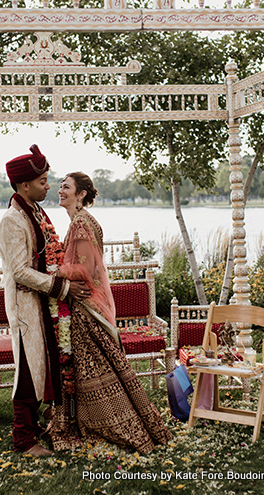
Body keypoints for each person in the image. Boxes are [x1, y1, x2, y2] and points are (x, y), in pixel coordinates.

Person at [50, 172, 172, 455]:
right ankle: (115, 420)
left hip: (84, 306)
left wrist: (53, 274)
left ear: (81, 195)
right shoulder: (83, 222)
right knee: (107, 369)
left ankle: (110, 423)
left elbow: (85, 269)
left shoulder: (80, 223)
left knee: (94, 372)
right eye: (60, 186)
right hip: (86, 303)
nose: (60, 191)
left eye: (66, 187)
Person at [0, 146, 91, 457]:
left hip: (42, 305)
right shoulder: (13, 219)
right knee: (28, 371)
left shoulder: (35, 211)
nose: (48, 186)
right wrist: (62, 288)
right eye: (43, 181)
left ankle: (35, 427)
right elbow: (20, 271)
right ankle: (23, 440)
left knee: (42, 367)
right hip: (26, 307)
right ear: (25, 185)